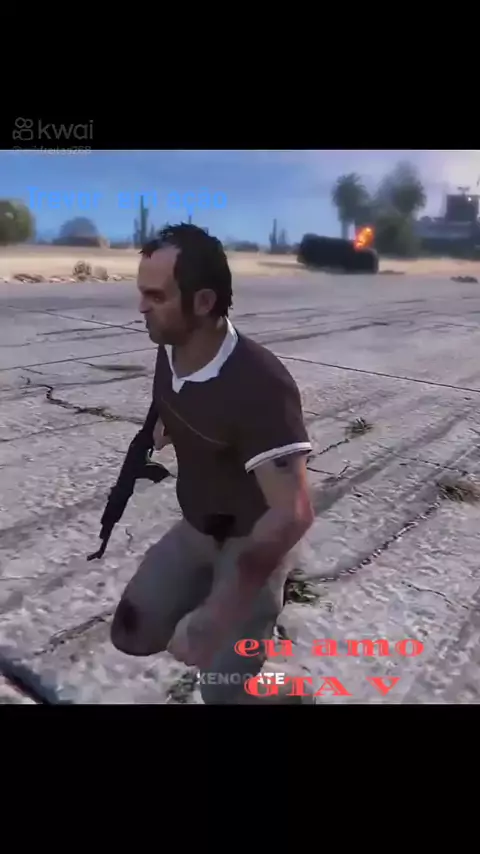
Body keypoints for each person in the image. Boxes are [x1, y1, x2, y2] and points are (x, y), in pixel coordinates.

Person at [110, 223, 315, 703]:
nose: (141, 307)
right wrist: (167, 430)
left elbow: (293, 513)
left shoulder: (260, 385)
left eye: (156, 296)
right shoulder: (173, 345)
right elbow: (178, 398)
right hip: (198, 528)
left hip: (249, 542)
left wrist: (219, 611)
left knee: (226, 693)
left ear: (202, 302)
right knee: (132, 633)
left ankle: (296, 690)